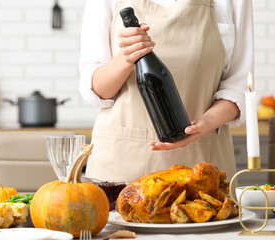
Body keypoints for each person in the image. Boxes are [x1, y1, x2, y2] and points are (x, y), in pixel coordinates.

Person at [79, 0, 254, 182]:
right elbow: (97, 90)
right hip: (118, 167)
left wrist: (205, 123)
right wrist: (125, 58)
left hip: (201, 167)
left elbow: (240, 87)